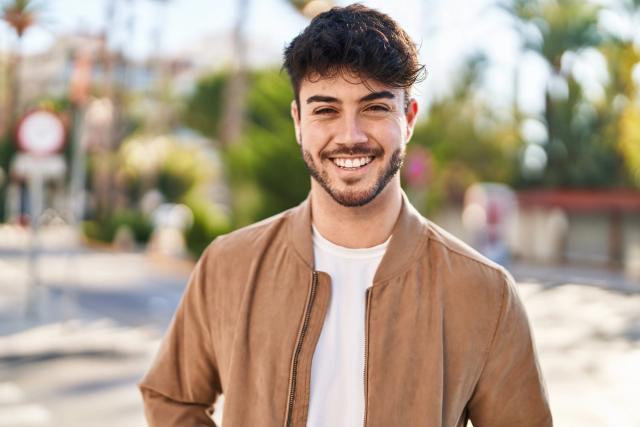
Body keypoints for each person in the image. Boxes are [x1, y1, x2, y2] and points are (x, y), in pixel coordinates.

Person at [139, 4, 552, 426]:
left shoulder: (484, 292)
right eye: (325, 110)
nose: (350, 136)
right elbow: (172, 397)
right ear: (299, 121)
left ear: (408, 119)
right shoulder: (229, 265)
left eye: (374, 108)